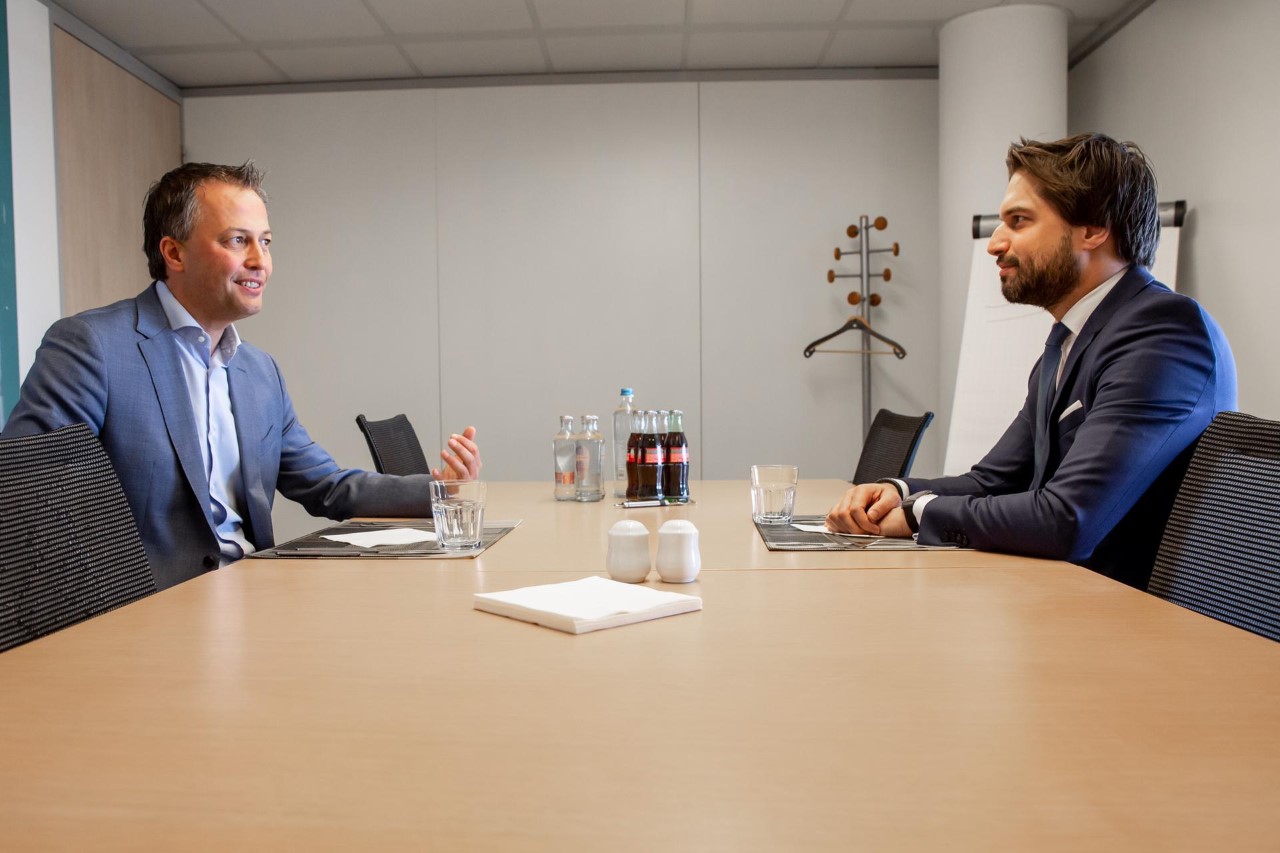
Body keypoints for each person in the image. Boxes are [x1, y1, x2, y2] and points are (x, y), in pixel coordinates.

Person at [1, 162, 482, 590]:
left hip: (256, 593)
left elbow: (327, 487)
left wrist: (440, 491)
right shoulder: (94, 345)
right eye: (237, 240)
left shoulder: (258, 371)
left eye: (265, 242)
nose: (260, 261)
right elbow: (30, 494)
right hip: (150, 612)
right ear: (174, 253)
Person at [827, 133, 1236, 589]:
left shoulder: (1162, 332)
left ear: (1094, 228)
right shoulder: (1070, 339)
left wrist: (917, 513)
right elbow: (992, 480)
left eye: (1018, 221)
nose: (994, 244)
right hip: (1064, 598)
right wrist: (898, 493)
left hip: (1128, 622)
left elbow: (1068, 518)